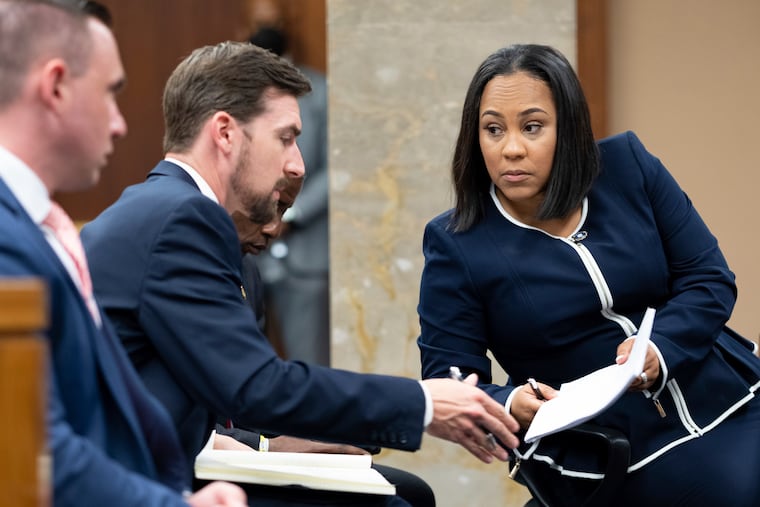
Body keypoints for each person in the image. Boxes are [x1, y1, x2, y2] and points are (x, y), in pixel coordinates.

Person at [80, 40, 520, 505]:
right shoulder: (181, 218)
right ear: (225, 133)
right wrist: (425, 403)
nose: (298, 163)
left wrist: (270, 443)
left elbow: (221, 388)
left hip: (176, 461)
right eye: (286, 137)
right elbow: (254, 386)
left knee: (404, 491)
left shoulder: (167, 208)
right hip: (139, 483)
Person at [417, 43, 760, 506]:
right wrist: (510, 401)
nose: (511, 149)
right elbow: (451, 376)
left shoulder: (628, 166)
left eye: (532, 127)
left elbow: (708, 279)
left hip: (725, 395)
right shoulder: (456, 240)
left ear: (569, 128)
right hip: (602, 447)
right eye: (493, 129)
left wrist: (659, 348)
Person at [0, 1, 245, 505]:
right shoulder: (8, 234)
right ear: (56, 86)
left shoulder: (32, 223)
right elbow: (38, 450)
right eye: (111, 93)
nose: (119, 124)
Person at [226, 175, 436, 507]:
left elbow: (254, 391)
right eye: (271, 209)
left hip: (238, 447)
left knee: (412, 491)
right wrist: (265, 447)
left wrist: (336, 427)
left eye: (284, 211)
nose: (274, 228)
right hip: (207, 461)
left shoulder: (245, 266)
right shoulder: (175, 242)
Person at [249, 23, 331, 366]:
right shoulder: (240, 94)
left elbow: (335, 169)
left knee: (307, 363)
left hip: (305, 257)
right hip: (249, 253)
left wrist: (290, 215)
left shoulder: (320, 94)